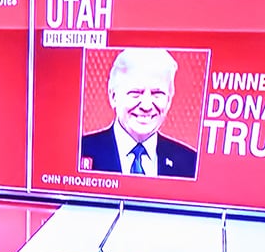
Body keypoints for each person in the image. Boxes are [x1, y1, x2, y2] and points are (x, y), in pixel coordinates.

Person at [78, 48, 197, 177]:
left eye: (157, 94)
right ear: (113, 97)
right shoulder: (80, 151)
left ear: (169, 100)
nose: (146, 106)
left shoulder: (190, 163)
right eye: (136, 93)